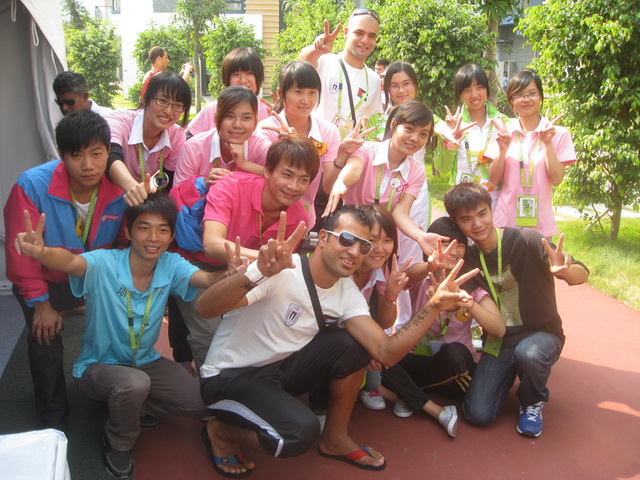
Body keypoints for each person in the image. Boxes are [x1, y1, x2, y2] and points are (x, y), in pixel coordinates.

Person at [195, 205, 479, 476]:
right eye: (346, 239)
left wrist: (432, 307)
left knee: (354, 344)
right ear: (323, 238)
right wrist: (259, 272)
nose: (354, 252)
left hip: (279, 372)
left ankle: (335, 437)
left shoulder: (346, 292)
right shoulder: (281, 271)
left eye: (363, 246)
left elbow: (385, 351)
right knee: (298, 433)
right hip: (229, 378)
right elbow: (205, 308)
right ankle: (220, 431)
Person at [13, 193, 240, 478]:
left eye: (163, 230)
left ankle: (132, 405)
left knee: (198, 402)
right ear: (129, 231)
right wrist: (42, 252)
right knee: (133, 384)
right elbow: (71, 262)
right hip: (99, 365)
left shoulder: (171, 264)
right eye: (144, 228)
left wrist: (231, 274)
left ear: (171, 236)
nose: (153, 238)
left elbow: (205, 279)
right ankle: (118, 442)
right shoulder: (105, 262)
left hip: (145, 361)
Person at [4, 110, 128, 428]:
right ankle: (53, 417)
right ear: (61, 155)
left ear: (108, 152)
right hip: (42, 277)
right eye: (76, 155)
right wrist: (40, 304)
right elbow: (21, 254)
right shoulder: (31, 185)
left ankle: (114, 396)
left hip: (87, 276)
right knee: (45, 337)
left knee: (114, 331)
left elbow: (122, 245)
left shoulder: (118, 190)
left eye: (96, 154)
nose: (88, 165)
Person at [443, 182, 589, 437]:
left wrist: (565, 272)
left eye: (482, 213)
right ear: (456, 222)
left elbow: (582, 274)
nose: (477, 224)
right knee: (477, 414)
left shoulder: (528, 240)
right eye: (466, 219)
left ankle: (533, 400)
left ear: (492, 210)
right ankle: (510, 373)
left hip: (542, 333)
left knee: (529, 353)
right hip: (500, 340)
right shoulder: (468, 260)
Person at [169, 136, 319, 368]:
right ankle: (209, 383)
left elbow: (277, 268)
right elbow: (212, 245)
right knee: (208, 333)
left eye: (303, 179)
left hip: (245, 269)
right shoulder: (231, 186)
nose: (293, 186)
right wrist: (267, 257)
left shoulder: (299, 217)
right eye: (287, 175)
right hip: (197, 263)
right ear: (267, 170)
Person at [379, 216, 505, 436]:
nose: (453, 251)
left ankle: (408, 393)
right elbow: (407, 278)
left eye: (460, 245)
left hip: (453, 369)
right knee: (379, 359)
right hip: (417, 357)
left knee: (455, 354)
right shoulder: (423, 278)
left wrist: (466, 302)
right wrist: (431, 265)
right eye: (445, 243)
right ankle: (433, 408)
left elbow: (499, 329)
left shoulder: (471, 285)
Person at [324, 101, 439, 259]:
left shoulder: (417, 171)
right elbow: (354, 169)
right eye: (409, 129)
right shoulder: (367, 149)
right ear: (393, 124)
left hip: (380, 247)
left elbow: (400, 212)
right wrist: (342, 181)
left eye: (423, 134)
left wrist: (421, 237)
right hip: (351, 237)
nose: (414, 138)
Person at [255, 61, 357, 229]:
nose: (305, 100)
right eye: (298, 92)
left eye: (312, 93)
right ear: (281, 93)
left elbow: (327, 187)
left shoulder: (328, 131)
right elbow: (266, 176)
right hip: (266, 218)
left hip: (303, 221)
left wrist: (342, 155)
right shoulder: (266, 129)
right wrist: (290, 146)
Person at [487, 68, 576, 238]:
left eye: (532, 93)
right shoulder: (503, 131)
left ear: (540, 96)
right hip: (506, 221)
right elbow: (493, 179)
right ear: (511, 99)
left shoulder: (558, 133)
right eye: (519, 94)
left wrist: (548, 144)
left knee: (541, 256)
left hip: (541, 223)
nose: (526, 99)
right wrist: (502, 150)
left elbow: (557, 179)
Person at [351, 205, 409, 411]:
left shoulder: (382, 270)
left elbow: (386, 322)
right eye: (372, 240)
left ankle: (369, 387)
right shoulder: (344, 267)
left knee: (381, 360)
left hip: (358, 327)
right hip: (329, 333)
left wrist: (390, 297)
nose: (379, 249)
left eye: (387, 240)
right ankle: (321, 403)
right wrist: (368, 347)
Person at [107, 71, 191, 206]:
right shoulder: (119, 122)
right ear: (146, 99)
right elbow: (110, 156)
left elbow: (168, 180)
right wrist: (134, 188)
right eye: (162, 101)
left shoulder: (176, 136)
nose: (168, 111)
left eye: (177, 105)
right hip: (107, 201)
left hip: (144, 205)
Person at [433, 64, 508, 210]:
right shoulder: (453, 125)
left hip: (494, 202)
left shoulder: (503, 123)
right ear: (460, 94)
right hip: (461, 202)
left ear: (487, 89)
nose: (474, 95)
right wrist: (450, 141)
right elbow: (442, 168)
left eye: (479, 87)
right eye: (467, 90)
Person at [299, 9, 383, 138]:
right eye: (359, 33)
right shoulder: (325, 61)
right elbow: (302, 62)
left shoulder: (374, 79)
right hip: (313, 144)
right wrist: (317, 49)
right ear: (346, 33)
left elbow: (372, 119)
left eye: (371, 36)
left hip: (345, 148)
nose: (365, 40)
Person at [174, 85, 269, 186]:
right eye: (229, 116)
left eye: (246, 118)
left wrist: (244, 164)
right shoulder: (192, 149)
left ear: (256, 121)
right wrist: (204, 184)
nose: (237, 125)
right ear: (216, 119)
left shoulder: (261, 147)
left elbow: (277, 178)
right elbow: (177, 192)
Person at [187, 47, 271, 138]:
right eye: (236, 75)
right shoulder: (213, 109)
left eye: (250, 73)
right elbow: (189, 137)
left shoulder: (269, 112)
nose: (243, 80)